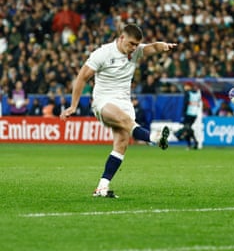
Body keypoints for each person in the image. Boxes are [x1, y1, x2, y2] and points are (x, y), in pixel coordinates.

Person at [60, 24, 175, 198]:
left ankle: (102, 188)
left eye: (137, 45)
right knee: (124, 120)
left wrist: (163, 46)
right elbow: (82, 77)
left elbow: (153, 48)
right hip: (103, 100)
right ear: (121, 38)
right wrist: (73, 105)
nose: (134, 48)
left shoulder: (135, 51)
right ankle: (155, 139)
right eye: (131, 44)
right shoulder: (102, 53)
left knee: (122, 142)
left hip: (124, 101)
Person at [174, 82, 202, 150]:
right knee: (188, 129)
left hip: (188, 113)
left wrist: (183, 114)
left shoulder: (187, 93)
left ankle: (178, 134)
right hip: (195, 114)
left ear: (189, 86)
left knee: (187, 128)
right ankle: (193, 143)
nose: (185, 87)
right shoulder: (197, 94)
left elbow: (185, 104)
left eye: (186, 86)